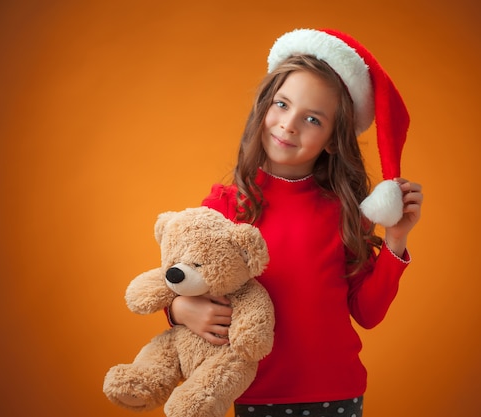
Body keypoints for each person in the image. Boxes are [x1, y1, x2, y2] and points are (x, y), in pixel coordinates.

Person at [167, 28, 423, 417]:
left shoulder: (344, 210)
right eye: (282, 105)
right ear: (264, 106)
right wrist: (180, 310)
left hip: (337, 393)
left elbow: (367, 314)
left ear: (334, 140)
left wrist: (396, 240)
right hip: (253, 391)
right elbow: (180, 278)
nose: (289, 125)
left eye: (312, 119)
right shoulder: (224, 205)